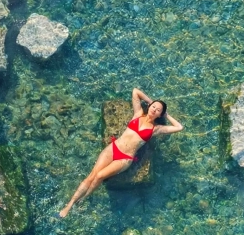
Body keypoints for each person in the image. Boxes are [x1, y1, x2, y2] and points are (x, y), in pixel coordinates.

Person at [59, 88, 183, 218]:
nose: (154, 110)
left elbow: (179, 127)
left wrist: (166, 115)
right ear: (149, 106)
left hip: (125, 158)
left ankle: (84, 198)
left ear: (160, 114)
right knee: (92, 175)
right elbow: (135, 91)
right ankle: (69, 205)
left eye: (158, 110)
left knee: (100, 176)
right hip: (113, 148)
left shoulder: (155, 129)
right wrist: (150, 101)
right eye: (154, 107)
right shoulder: (138, 114)